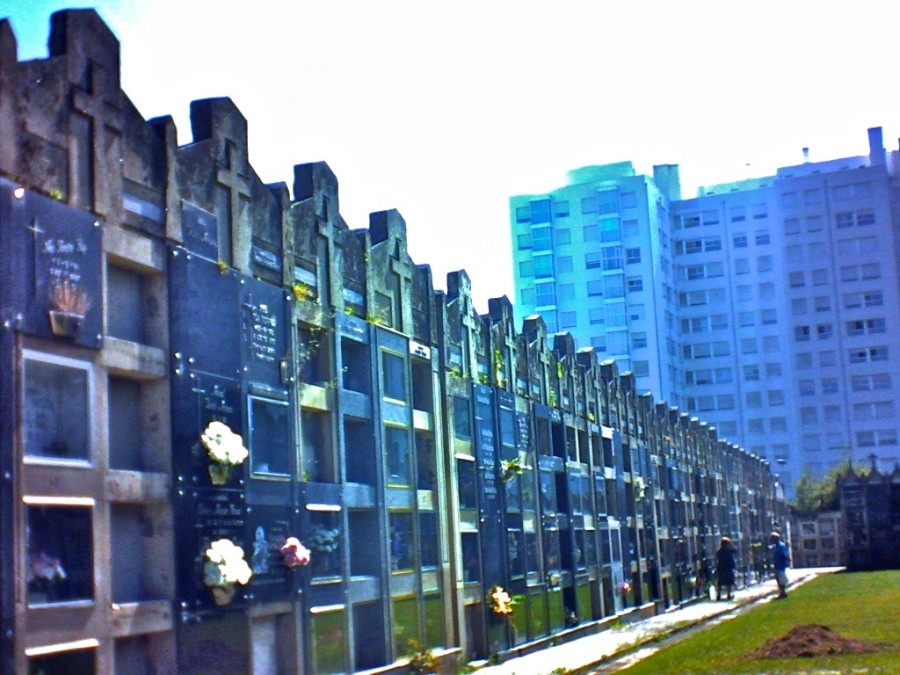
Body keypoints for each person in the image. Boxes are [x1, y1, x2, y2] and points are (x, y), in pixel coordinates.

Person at [770, 532, 791, 599]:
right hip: (778, 564)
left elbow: (783, 555)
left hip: (780, 565)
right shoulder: (778, 545)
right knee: (779, 579)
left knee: (780, 580)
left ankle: (783, 593)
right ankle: (782, 592)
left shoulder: (780, 546)